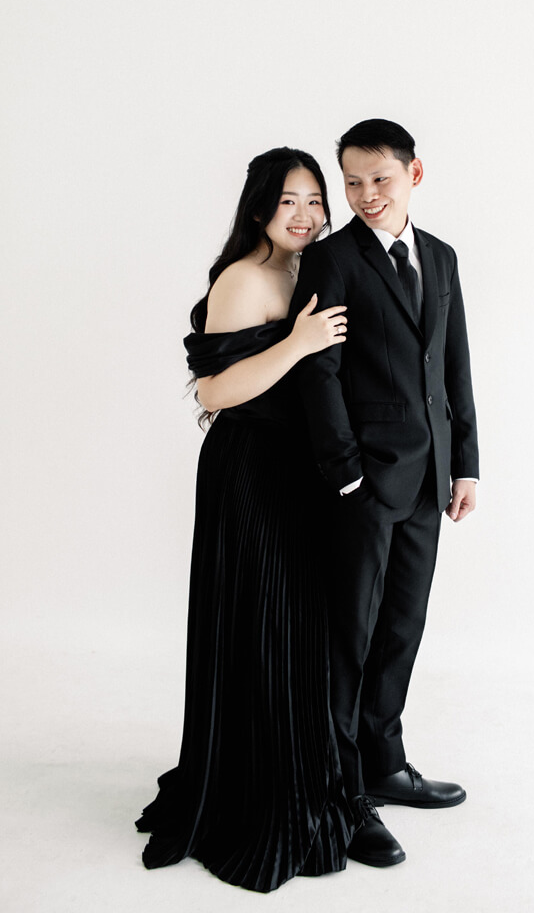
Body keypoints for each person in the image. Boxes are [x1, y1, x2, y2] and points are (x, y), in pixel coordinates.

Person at [136, 147, 352, 892]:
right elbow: (215, 393)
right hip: (251, 471)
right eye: (289, 201)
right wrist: (297, 343)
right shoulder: (244, 278)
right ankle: (251, 795)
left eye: (315, 201)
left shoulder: (309, 271)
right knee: (261, 621)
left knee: (300, 626)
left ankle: (302, 776)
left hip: (302, 473)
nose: (305, 215)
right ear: (260, 208)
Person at [291, 119, 479, 868]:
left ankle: (385, 764)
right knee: (350, 637)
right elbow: (320, 371)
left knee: (402, 626)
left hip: (428, 481)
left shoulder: (442, 256)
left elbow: (454, 364)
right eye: (353, 182)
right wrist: (346, 473)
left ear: (414, 175)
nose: (366, 194)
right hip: (363, 485)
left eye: (381, 179)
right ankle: (341, 793)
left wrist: (466, 464)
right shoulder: (331, 259)